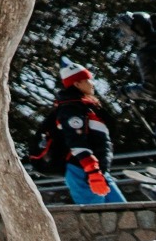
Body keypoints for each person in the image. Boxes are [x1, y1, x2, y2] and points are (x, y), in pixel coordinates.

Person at [48, 64, 118, 206]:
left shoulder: (86, 106)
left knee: (125, 213)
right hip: (83, 171)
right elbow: (76, 141)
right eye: (87, 80)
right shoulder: (71, 108)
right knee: (98, 216)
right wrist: (92, 171)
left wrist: (99, 171)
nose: (92, 84)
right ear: (77, 84)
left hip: (99, 171)